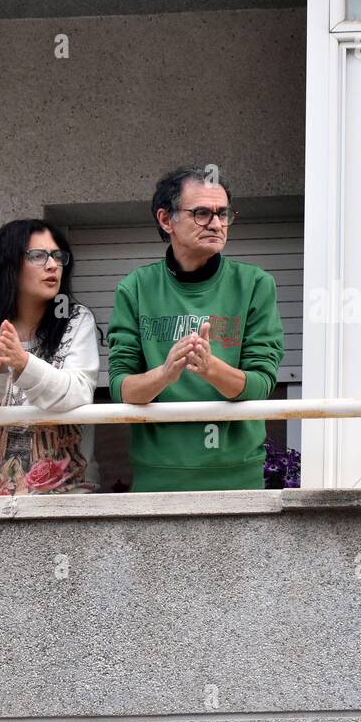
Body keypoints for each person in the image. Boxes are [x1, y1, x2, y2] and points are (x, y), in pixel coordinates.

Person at [108, 166, 283, 491]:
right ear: (166, 219)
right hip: (157, 480)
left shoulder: (256, 285)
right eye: (201, 213)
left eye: (223, 214)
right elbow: (120, 388)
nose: (216, 224)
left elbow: (262, 384)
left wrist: (210, 368)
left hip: (238, 480)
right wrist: (166, 373)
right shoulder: (134, 289)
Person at [0, 220, 101, 496]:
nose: (53, 265)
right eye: (38, 256)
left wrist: (24, 364)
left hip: (66, 495)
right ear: (10, 265)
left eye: (57, 256)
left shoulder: (76, 320)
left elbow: (78, 393)